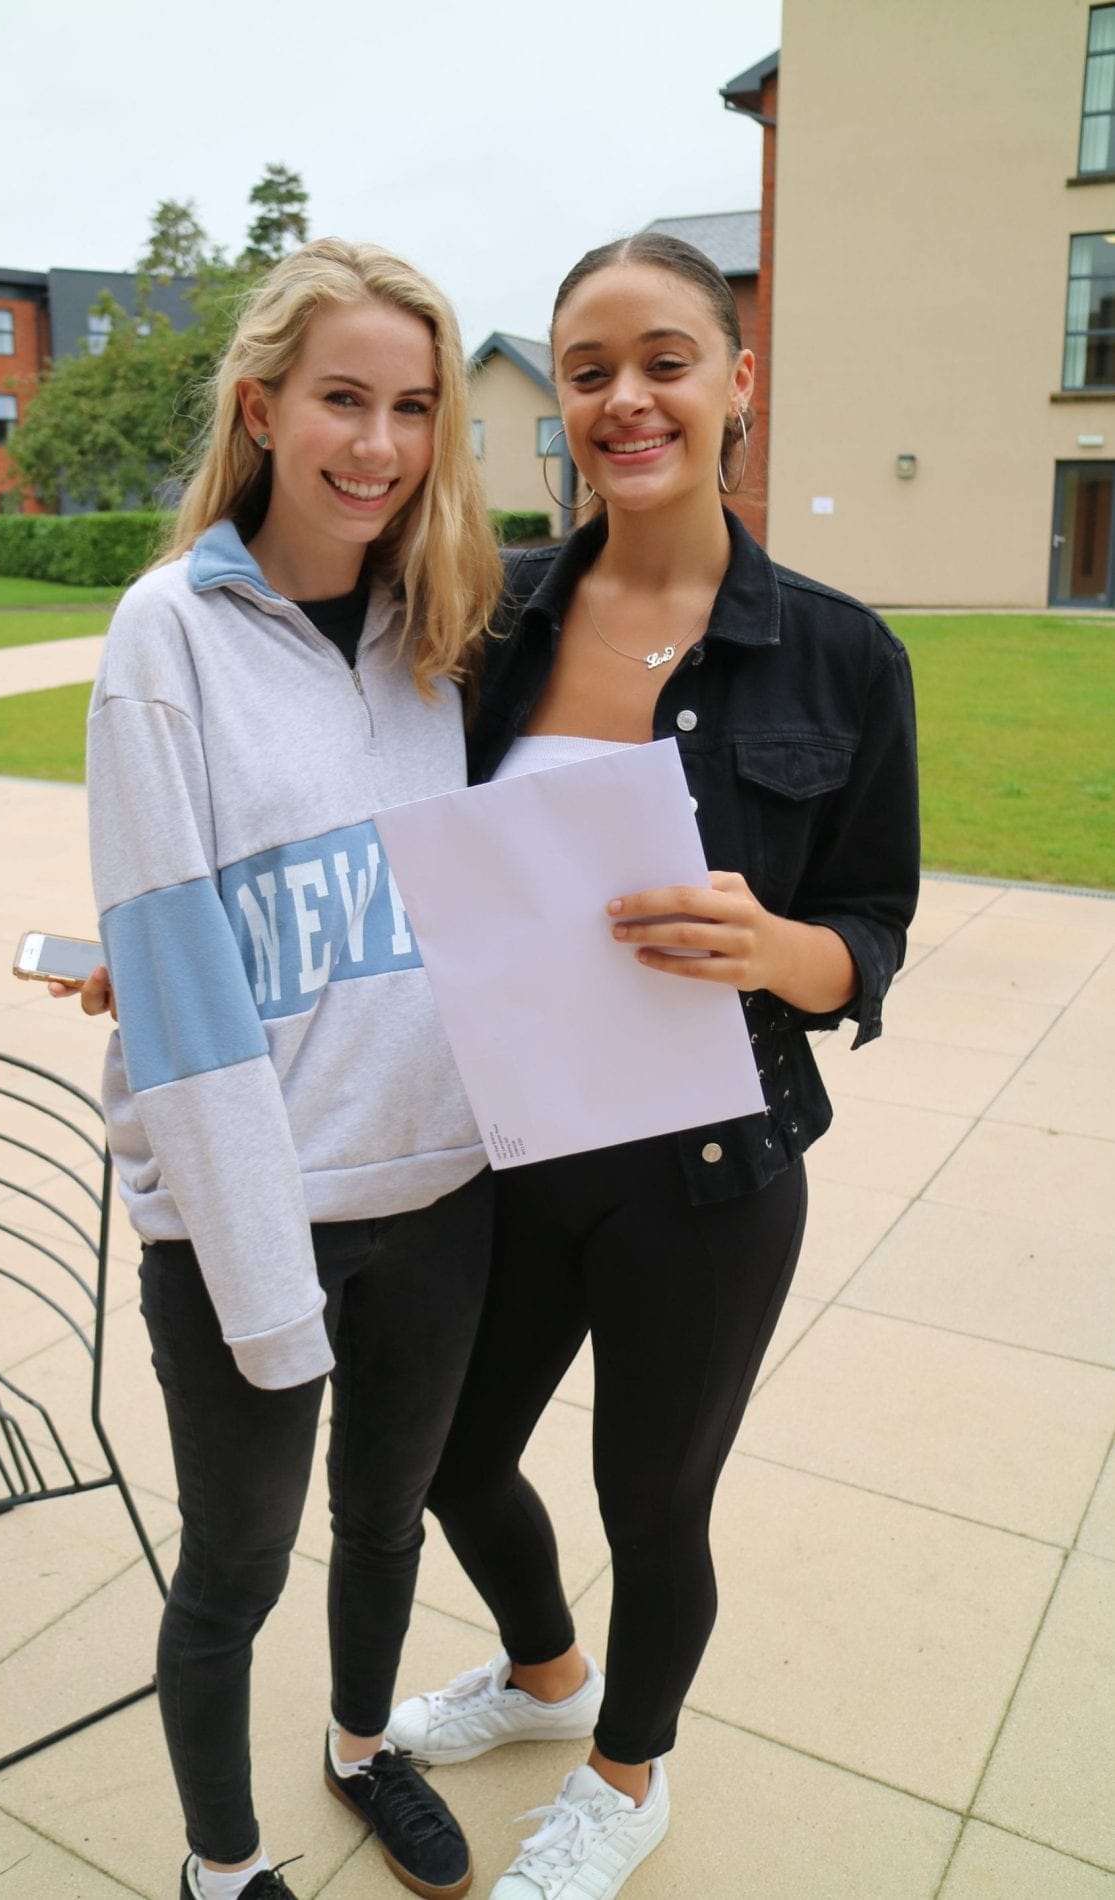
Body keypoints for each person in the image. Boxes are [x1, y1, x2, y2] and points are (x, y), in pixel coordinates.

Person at [382, 232, 920, 1900]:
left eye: (666, 359)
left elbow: (874, 933)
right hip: (507, 1147)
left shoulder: (840, 654)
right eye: (592, 368)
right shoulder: (490, 618)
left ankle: (629, 1777)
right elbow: (368, 838)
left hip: (711, 1172)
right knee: (455, 1459)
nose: (627, 398)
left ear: (736, 384)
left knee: (652, 1505)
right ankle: (550, 1679)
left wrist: (782, 950)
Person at [78, 236, 503, 1900]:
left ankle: (359, 1746)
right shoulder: (161, 638)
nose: (379, 444)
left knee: (386, 1529)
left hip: (440, 1191)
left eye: (413, 406)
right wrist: (266, 1291)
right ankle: (221, 1863)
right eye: (343, 398)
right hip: (248, 1220)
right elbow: (181, 997)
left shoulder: (443, 621)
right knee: (236, 1566)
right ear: (262, 406)